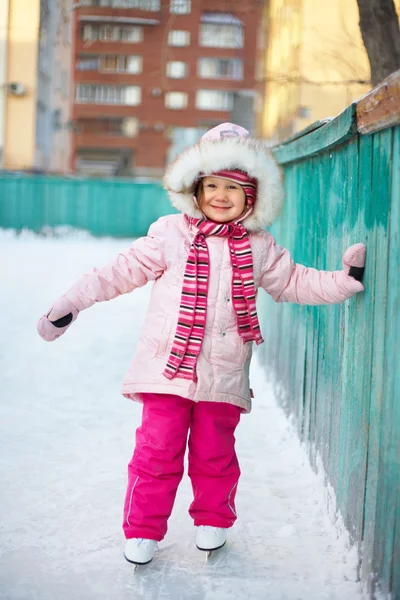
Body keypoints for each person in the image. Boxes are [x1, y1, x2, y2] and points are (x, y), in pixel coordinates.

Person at [37, 123, 366, 566]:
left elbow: (294, 282)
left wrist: (344, 282)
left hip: (225, 372)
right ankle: (143, 530)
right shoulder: (170, 234)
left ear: (252, 195)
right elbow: (116, 272)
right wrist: (70, 303)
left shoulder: (259, 247)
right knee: (156, 451)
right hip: (166, 370)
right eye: (212, 184)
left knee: (216, 454)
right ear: (196, 188)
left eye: (233, 187)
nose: (221, 195)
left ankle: (213, 522)